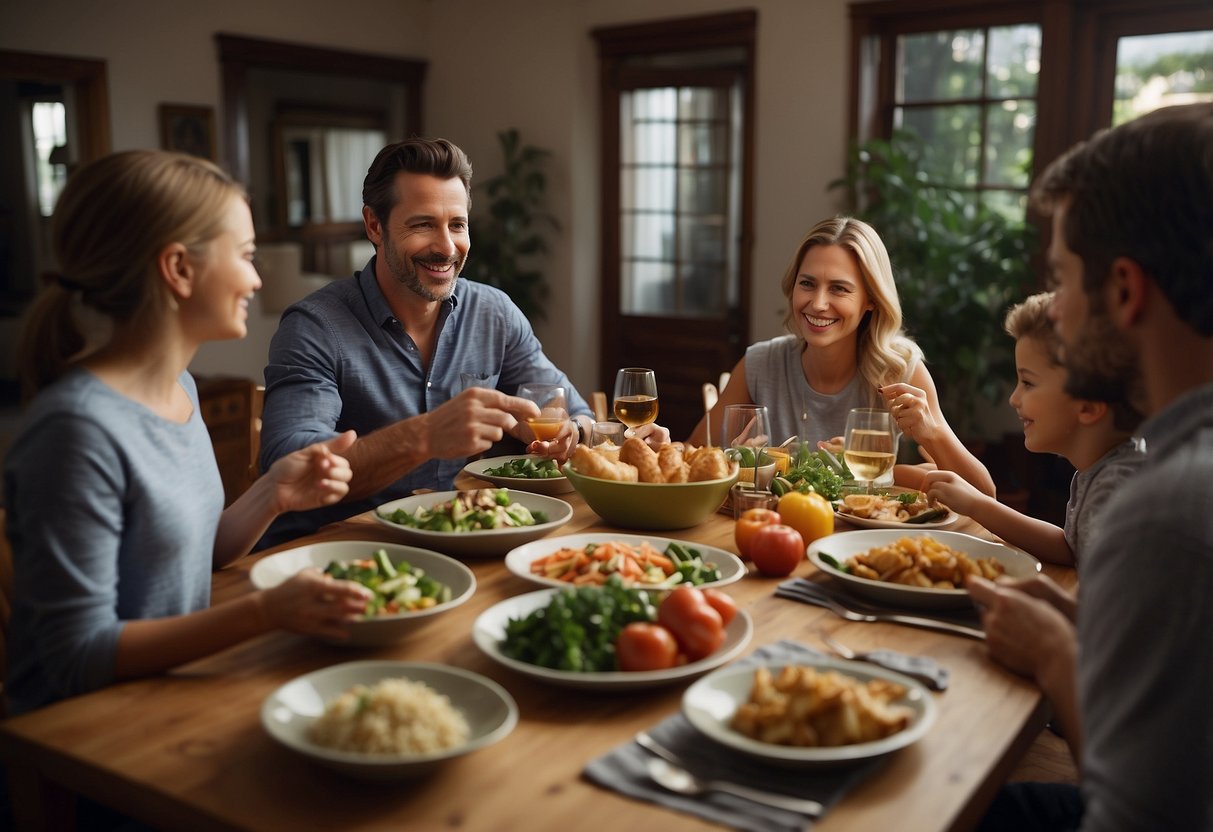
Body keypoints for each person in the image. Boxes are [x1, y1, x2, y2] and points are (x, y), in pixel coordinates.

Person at [3, 151, 373, 716]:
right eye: (247, 255)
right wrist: (264, 613)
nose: (256, 277)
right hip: (88, 745)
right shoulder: (75, 431)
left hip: (177, 693)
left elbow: (195, 554)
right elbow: (76, 657)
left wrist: (273, 492)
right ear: (177, 269)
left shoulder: (180, 387)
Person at [971, 103, 1213, 831]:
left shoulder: (1165, 512)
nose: (1058, 309)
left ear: (1124, 290)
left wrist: (1057, 656)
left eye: (1062, 276)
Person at [258, 137, 606, 548]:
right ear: (374, 225)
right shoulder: (314, 327)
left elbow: (573, 411)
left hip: (451, 541)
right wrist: (424, 436)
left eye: (457, 225)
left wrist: (570, 430)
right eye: (423, 224)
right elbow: (291, 466)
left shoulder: (493, 312)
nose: (446, 247)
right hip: (330, 554)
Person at [688, 215, 995, 495]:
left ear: (871, 300)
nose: (818, 304)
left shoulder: (899, 371)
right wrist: (732, 465)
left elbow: (985, 493)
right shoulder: (760, 364)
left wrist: (922, 443)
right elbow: (691, 460)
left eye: (839, 289)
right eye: (807, 284)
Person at [924, 292, 1142, 567]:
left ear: (1088, 406)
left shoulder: (1117, 490)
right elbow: (1069, 549)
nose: (1014, 398)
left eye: (1028, 382)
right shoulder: (1098, 470)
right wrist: (977, 505)